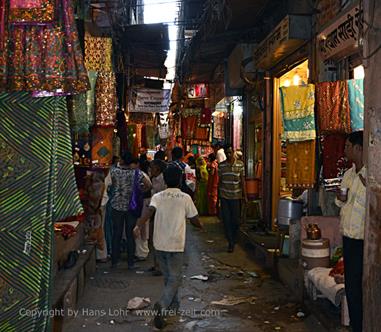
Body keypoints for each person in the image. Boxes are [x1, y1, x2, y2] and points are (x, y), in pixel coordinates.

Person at [134, 166, 203, 329]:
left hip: (159, 244)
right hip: (175, 244)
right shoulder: (185, 197)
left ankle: (174, 305)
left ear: (165, 180)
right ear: (180, 180)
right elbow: (194, 219)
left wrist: (138, 225)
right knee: (175, 277)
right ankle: (163, 305)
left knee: (169, 277)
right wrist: (201, 226)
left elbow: (149, 212)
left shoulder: (158, 196)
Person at [335, 131, 366, 332]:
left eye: (348, 146)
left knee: (362, 285)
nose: (345, 150)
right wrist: (340, 197)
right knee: (352, 285)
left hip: (365, 240)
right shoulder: (349, 174)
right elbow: (340, 201)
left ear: (359, 148)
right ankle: (356, 325)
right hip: (349, 236)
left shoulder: (370, 175)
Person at [109, 151, 151, 269]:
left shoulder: (114, 171)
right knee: (130, 234)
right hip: (131, 206)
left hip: (116, 205)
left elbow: (108, 184)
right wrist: (139, 192)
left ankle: (114, 261)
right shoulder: (137, 173)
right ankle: (130, 262)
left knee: (116, 233)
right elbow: (149, 185)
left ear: (122, 160)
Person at [218, 145, 247, 252]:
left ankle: (234, 239)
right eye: (227, 153)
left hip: (236, 196)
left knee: (235, 220)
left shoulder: (240, 165)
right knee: (226, 220)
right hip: (224, 196)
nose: (229, 155)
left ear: (233, 152)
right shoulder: (221, 166)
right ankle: (230, 242)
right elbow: (219, 182)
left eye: (230, 152)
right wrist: (218, 199)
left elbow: (242, 181)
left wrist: (245, 196)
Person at [149, 159, 167, 276]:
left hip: (161, 213)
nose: (150, 170)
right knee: (154, 239)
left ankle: (160, 266)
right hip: (154, 212)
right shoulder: (154, 179)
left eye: (152, 168)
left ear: (158, 169)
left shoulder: (162, 180)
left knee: (160, 239)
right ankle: (156, 264)